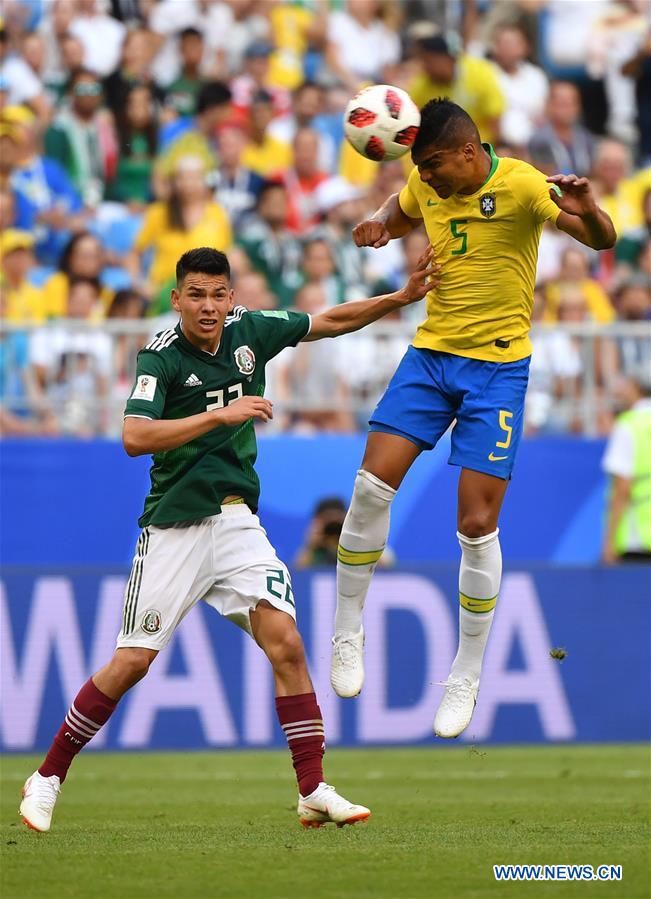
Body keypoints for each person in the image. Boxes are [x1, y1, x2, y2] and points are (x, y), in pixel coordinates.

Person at [19, 243, 436, 833]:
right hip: (173, 525)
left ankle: (313, 789)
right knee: (132, 661)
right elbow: (135, 437)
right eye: (196, 295)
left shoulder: (253, 332)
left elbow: (329, 321)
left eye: (218, 294)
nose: (208, 307)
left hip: (236, 520)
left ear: (231, 297)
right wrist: (219, 415)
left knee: (285, 642)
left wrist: (398, 297)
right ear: (177, 299)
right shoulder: (158, 358)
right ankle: (47, 777)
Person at [330, 98, 615, 740]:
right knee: (370, 486)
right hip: (430, 358)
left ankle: (466, 669)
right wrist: (377, 225)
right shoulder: (422, 177)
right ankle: (347, 628)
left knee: (477, 523)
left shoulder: (518, 183)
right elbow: (399, 210)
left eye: (433, 166)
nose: (425, 178)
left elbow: (600, 239)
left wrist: (590, 206)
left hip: (497, 371)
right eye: (419, 168)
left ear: (469, 151)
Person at [602, 369, 651, 563]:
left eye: (626, 385)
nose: (619, 391)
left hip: (637, 537)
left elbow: (622, 488)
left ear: (637, 388)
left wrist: (609, 541)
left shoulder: (629, 425)